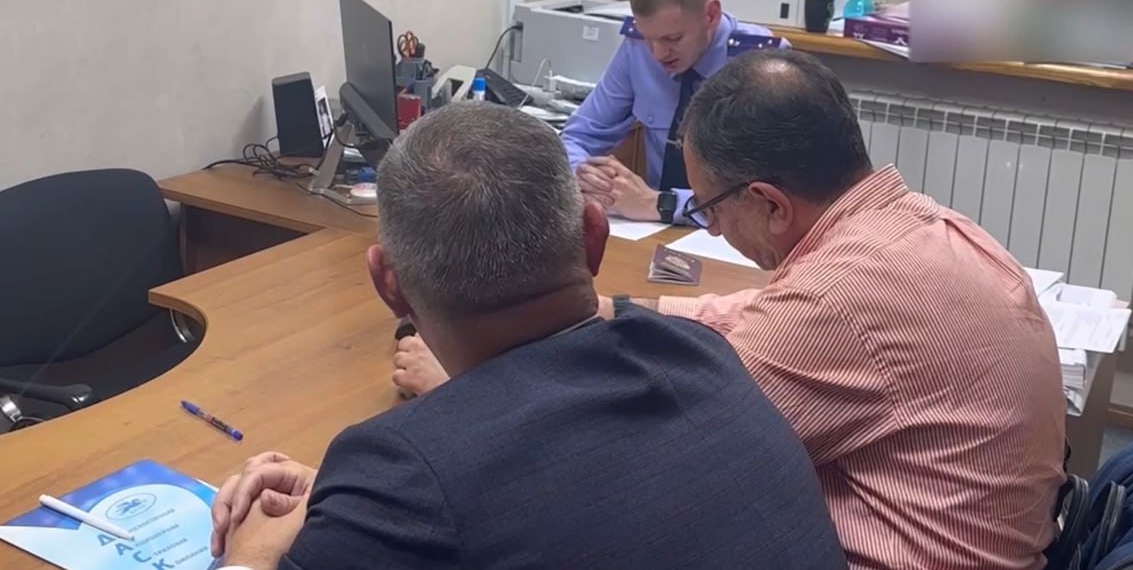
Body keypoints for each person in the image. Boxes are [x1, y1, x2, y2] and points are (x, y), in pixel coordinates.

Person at [210, 101, 845, 570]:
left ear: (389, 286)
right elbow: (559, 494)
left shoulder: (404, 478)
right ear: (593, 240)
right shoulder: (702, 355)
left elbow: (475, 489)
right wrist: (344, 502)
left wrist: (252, 554)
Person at [601, 50, 1068, 570]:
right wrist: (616, 311)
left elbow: (671, 456)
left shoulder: (836, 297)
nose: (713, 231)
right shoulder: (922, 229)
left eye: (710, 210)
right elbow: (762, 311)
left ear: (771, 204)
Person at [561, 0, 782, 224]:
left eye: (672, 39)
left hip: (736, 235)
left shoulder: (764, 65)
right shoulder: (637, 49)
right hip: (655, 229)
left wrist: (661, 204)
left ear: (711, 15)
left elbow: (768, 194)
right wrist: (586, 175)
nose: (657, 54)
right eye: (648, 38)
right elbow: (577, 136)